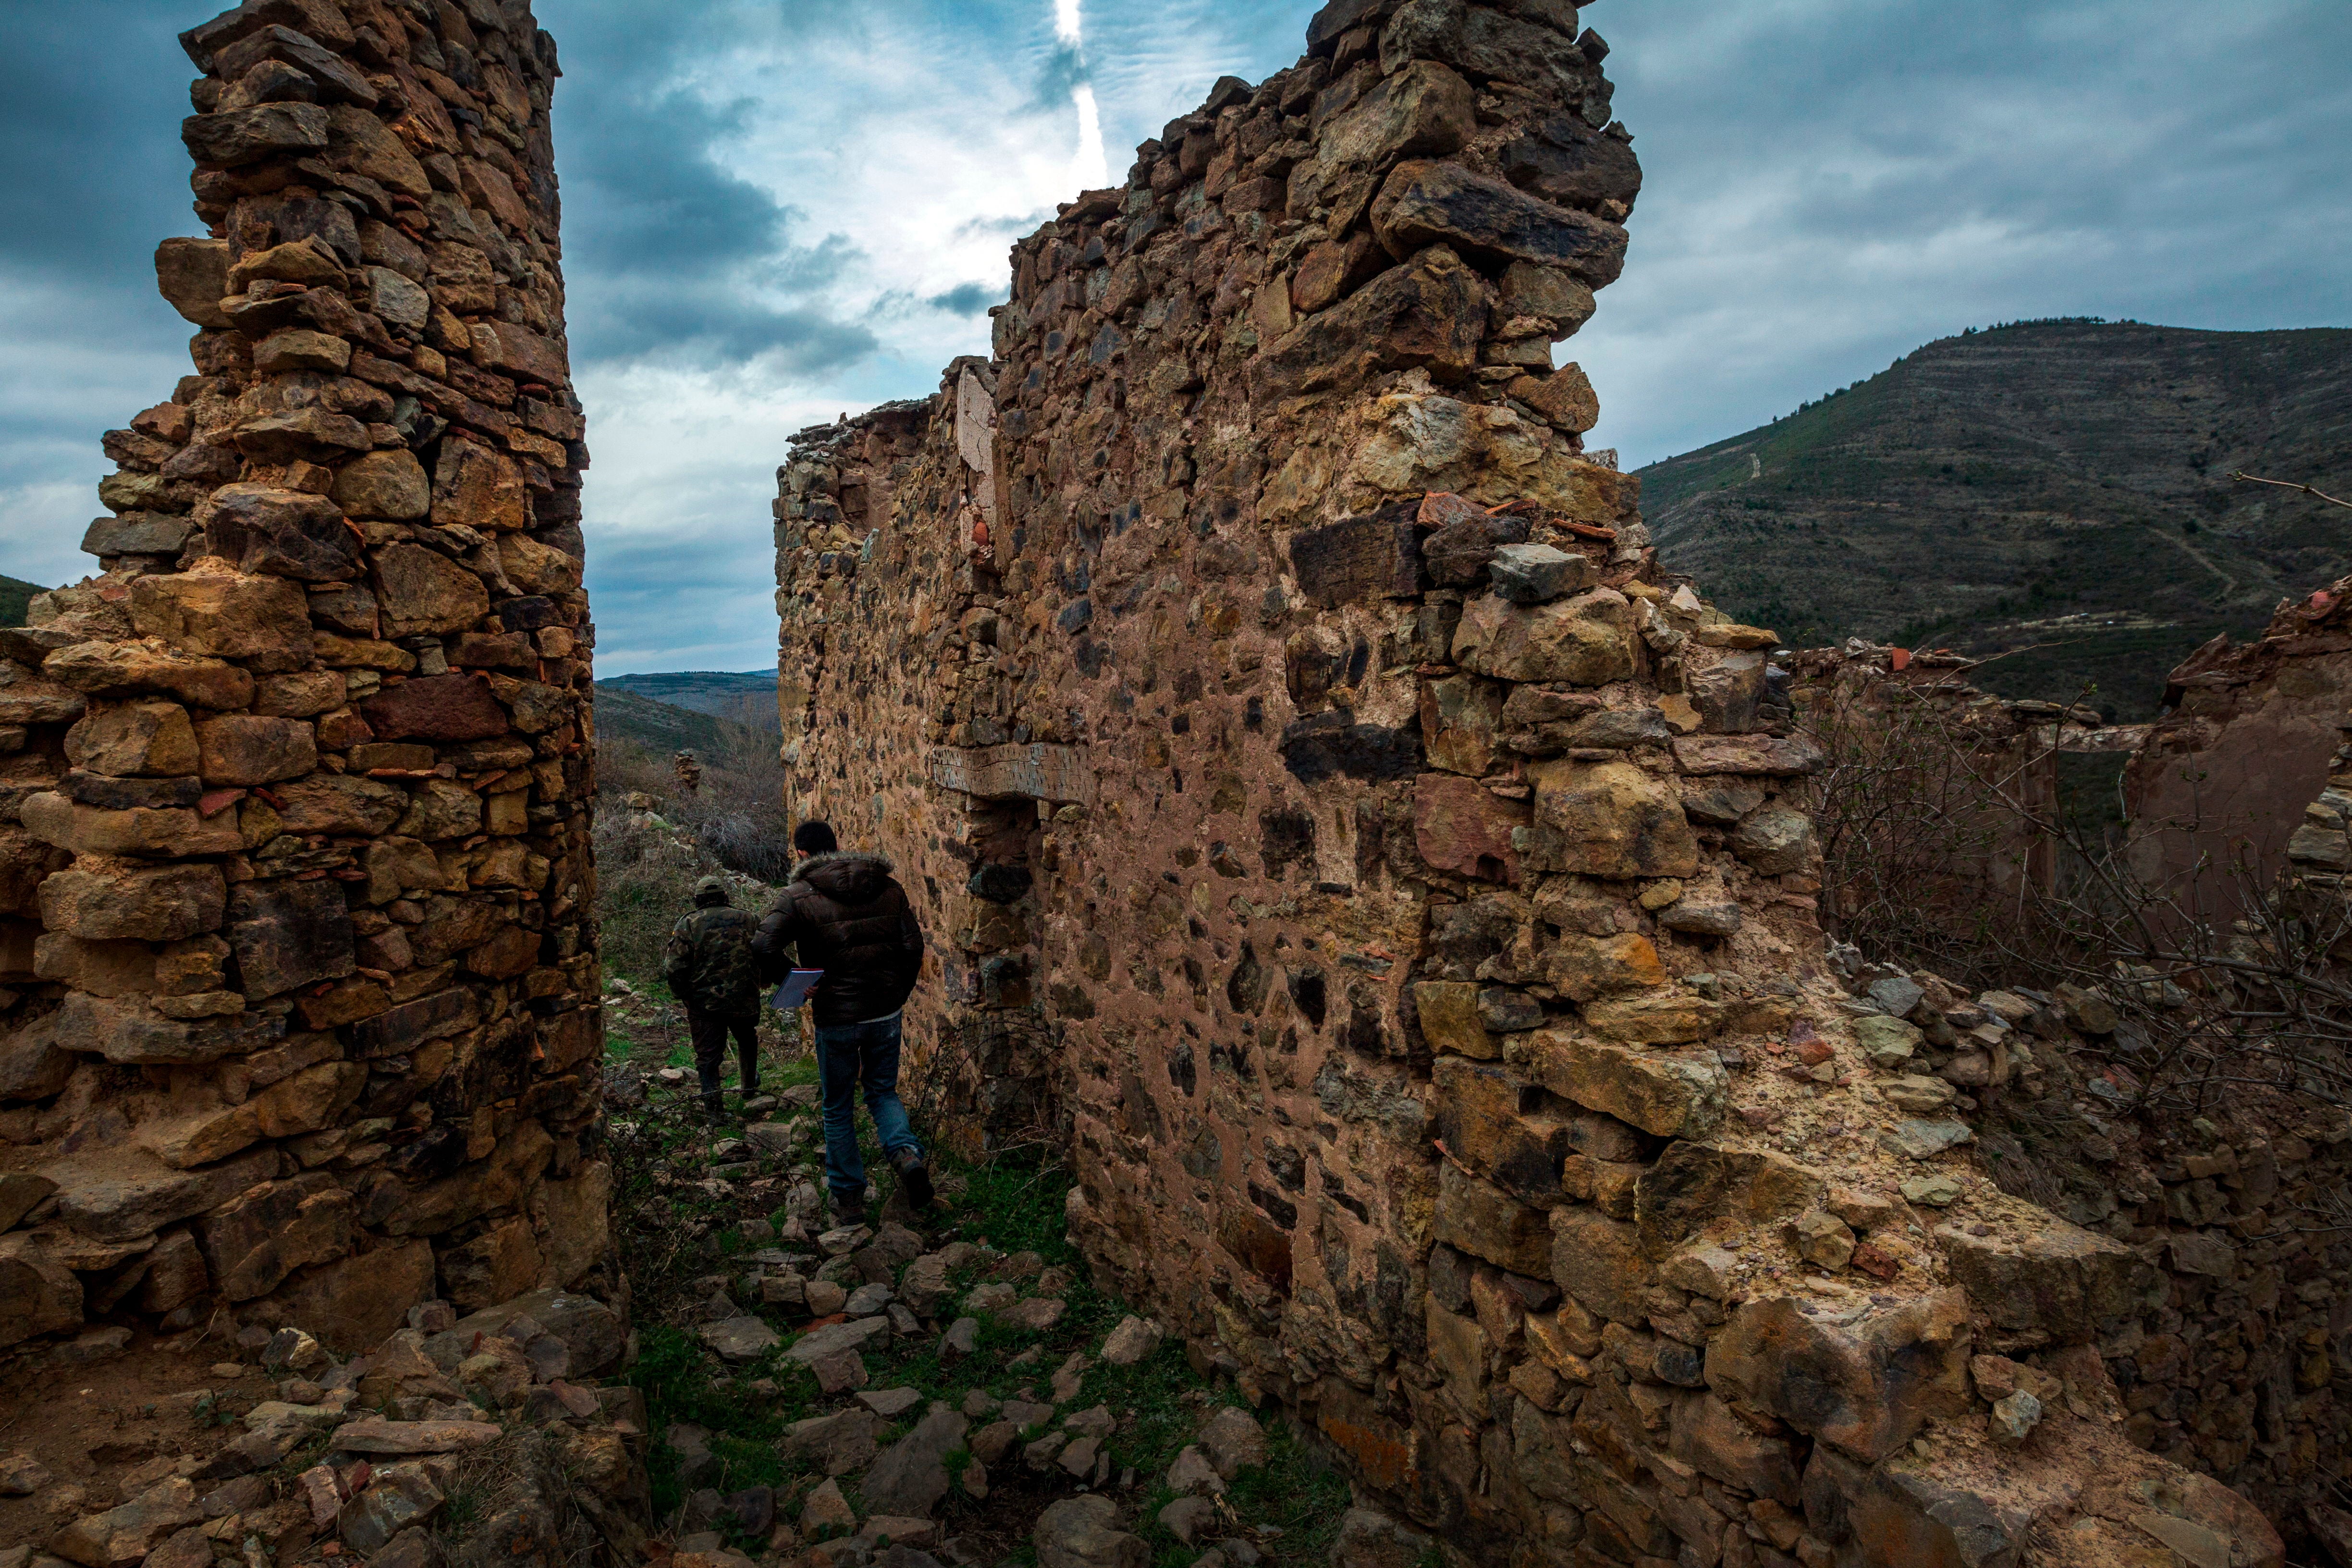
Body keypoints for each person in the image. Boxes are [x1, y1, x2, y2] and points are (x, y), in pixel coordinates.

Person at [751, 820, 931, 1223]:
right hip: (885, 1011)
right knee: (883, 1092)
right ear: (836, 846)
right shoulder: (887, 886)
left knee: (837, 1106)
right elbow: (913, 946)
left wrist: (791, 977)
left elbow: (763, 944)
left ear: (801, 853)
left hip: (836, 1016)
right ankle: (905, 1155)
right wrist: (896, 993)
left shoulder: (797, 896)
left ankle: (849, 1198)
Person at [663, 875, 762, 1121]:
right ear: (725, 897)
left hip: (705, 1004)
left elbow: (674, 967)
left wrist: (684, 996)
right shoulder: (749, 918)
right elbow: (765, 951)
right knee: (747, 1041)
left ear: (698, 900)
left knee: (708, 1057)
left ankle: (714, 1111)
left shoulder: (689, 923)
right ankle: (749, 1088)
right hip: (744, 998)